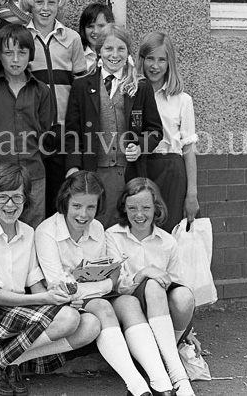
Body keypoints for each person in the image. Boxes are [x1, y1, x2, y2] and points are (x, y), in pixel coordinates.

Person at [0, 163, 100, 396]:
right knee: (68, 319)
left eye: (17, 197)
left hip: (18, 311)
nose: (10, 205)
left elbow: (35, 283)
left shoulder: (28, 232)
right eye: (3, 197)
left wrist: (57, 299)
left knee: (90, 325)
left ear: (26, 199)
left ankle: (5, 362)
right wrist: (45, 299)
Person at [35, 171, 156, 396]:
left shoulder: (98, 229)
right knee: (102, 305)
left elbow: (108, 273)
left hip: (90, 299)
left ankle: (159, 381)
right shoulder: (46, 232)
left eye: (91, 207)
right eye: (77, 206)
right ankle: (138, 385)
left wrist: (101, 284)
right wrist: (104, 286)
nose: (84, 215)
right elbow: (59, 286)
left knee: (128, 302)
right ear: (65, 203)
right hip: (61, 304)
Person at [64, 24, 163, 228]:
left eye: (121, 49)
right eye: (109, 49)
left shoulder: (141, 86)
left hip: (128, 171)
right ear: (99, 50)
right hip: (95, 169)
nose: (114, 55)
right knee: (96, 223)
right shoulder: (82, 86)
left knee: (125, 224)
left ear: (128, 52)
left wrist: (141, 146)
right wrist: (74, 166)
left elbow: (155, 130)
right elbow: (72, 133)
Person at [106, 178, 197, 396]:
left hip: (161, 312)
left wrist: (189, 331)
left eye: (146, 208)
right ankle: (177, 375)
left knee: (184, 296)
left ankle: (164, 360)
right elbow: (117, 287)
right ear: (124, 208)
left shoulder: (167, 241)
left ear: (156, 208)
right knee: (153, 285)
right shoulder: (112, 236)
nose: (139, 215)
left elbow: (175, 285)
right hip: (130, 309)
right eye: (132, 208)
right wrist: (143, 273)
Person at [22, 0, 86, 218]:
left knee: (62, 198)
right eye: (39, 2)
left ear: (59, 4)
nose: (45, 8)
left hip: (64, 131)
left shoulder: (71, 39)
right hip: (33, 131)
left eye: (51, 2)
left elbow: (79, 89)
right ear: (31, 3)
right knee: (34, 199)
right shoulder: (23, 38)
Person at [0, 24, 52, 227]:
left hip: (34, 176)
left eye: (22, 52)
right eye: (8, 53)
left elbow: (44, 133)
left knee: (34, 230)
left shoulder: (42, 91)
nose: (16, 59)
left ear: (30, 55)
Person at [138, 32, 199, 231]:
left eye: (161, 60)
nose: (155, 66)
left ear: (169, 62)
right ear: (142, 59)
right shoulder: (131, 93)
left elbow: (189, 148)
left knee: (170, 232)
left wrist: (192, 193)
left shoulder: (182, 100)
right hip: (140, 167)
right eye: (150, 59)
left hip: (171, 169)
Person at [78, 2, 115, 74]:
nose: (96, 31)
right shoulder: (78, 55)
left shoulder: (121, 55)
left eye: (101, 26)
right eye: (90, 26)